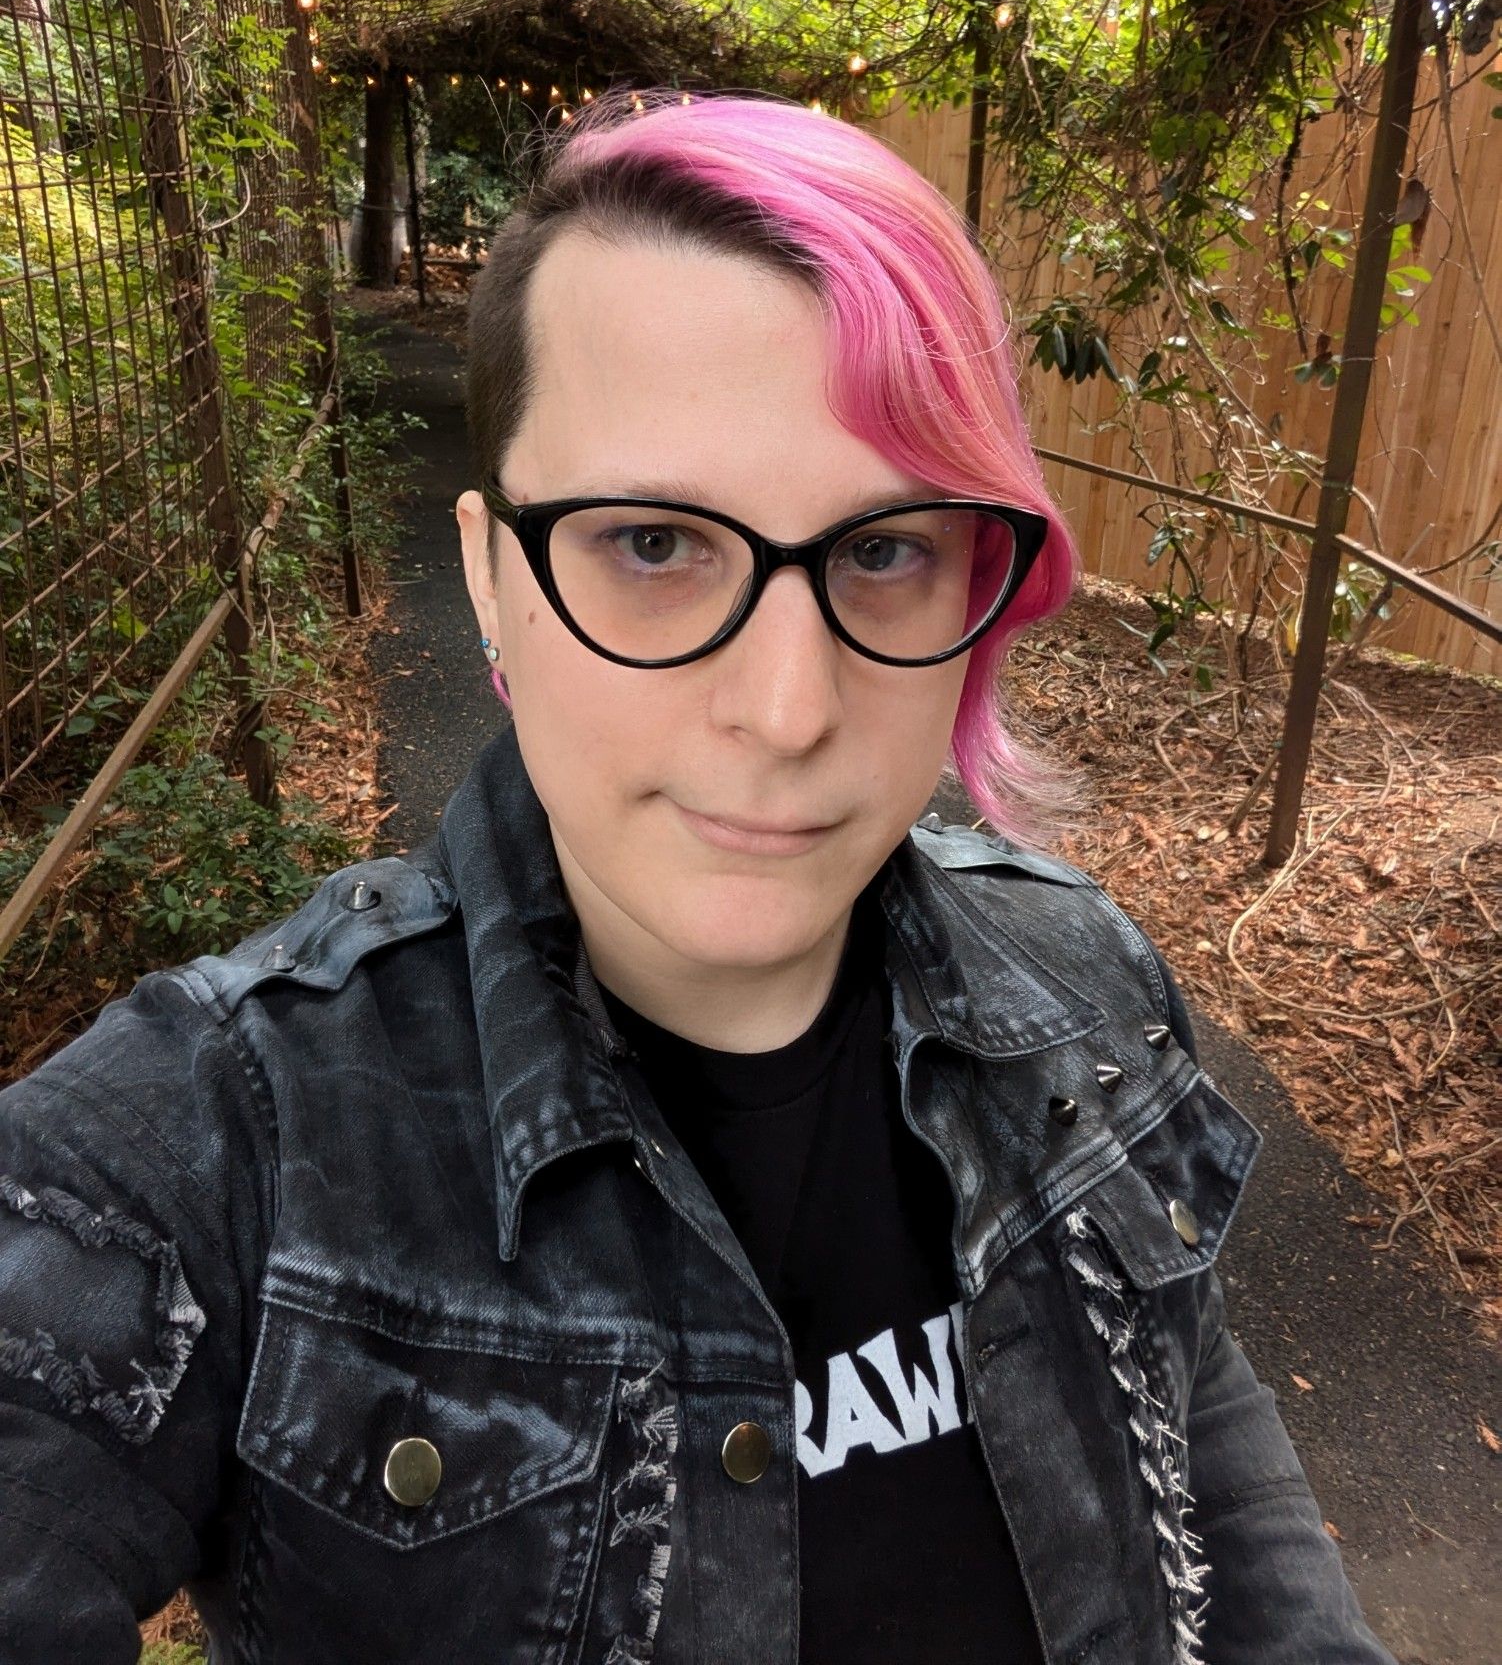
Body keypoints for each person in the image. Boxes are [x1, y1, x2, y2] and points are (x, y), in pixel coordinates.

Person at [0, 87, 1396, 1665]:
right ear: (488, 575)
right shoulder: (221, 1148)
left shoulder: (1083, 994)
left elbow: (1194, 1427)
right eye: (654, 545)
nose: (787, 710)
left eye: (883, 549)